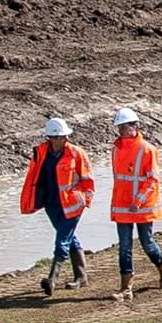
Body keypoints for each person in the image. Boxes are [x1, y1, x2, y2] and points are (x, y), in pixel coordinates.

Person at [19, 116, 95, 297]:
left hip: (72, 205)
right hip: (51, 204)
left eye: (63, 136)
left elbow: (88, 181)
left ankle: (52, 279)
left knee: (62, 240)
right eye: (58, 137)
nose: (62, 140)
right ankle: (81, 276)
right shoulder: (40, 153)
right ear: (50, 138)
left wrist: (85, 200)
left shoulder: (77, 153)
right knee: (69, 238)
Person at [107, 107, 162, 300]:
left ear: (135, 127)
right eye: (119, 127)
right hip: (122, 207)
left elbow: (152, 179)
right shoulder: (116, 150)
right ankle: (126, 288)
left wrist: (138, 201)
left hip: (141, 207)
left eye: (124, 126)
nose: (121, 131)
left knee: (147, 243)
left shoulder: (147, 150)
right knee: (124, 247)